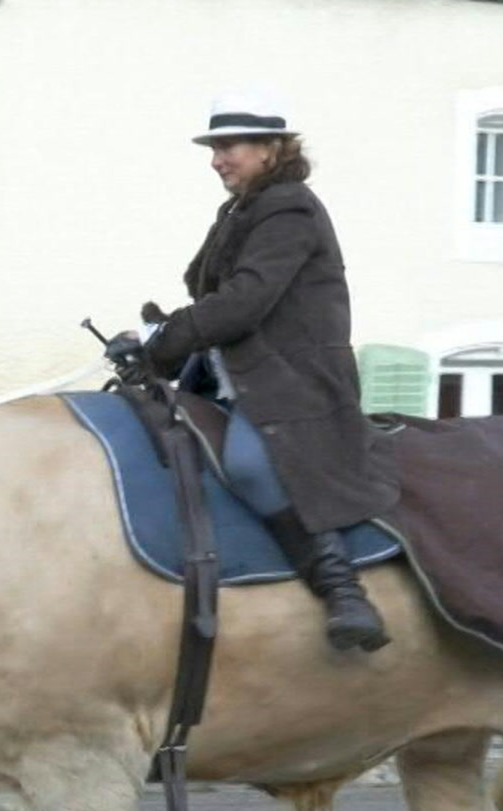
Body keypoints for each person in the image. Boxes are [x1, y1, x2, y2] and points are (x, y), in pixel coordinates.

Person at [106, 92, 400, 652]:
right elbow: (214, 302)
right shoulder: (240, 211)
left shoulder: (289, 207)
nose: (218, 159)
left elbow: (245, 302)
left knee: (247, 463)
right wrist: (150, 341)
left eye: (229, 146)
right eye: (214, 147)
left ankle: (342, 588)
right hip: (227, 374)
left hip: (292, 382)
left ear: (272, 148)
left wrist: (164, 339)